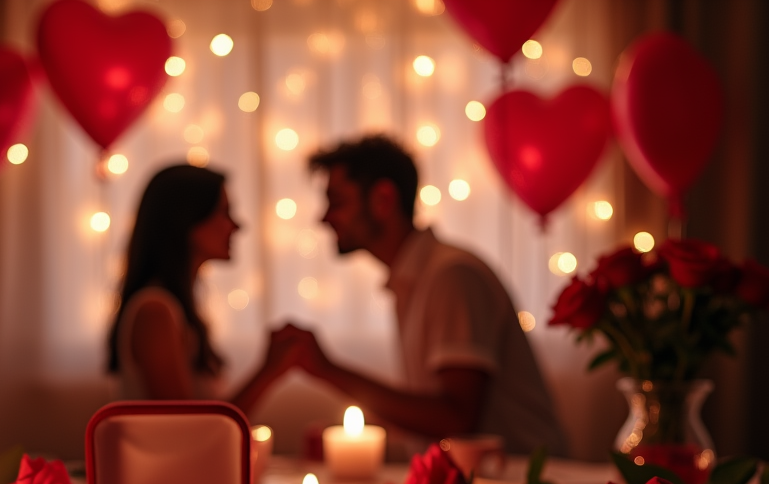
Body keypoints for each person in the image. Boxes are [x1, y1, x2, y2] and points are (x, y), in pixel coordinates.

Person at [278, 135, 566, 455]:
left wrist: (329, 370)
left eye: (337, 202)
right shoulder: (417, 278)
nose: (324, 217)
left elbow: (455, 419)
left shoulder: (451, 276)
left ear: (383, 199)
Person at [108, 164, 297, 413]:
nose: (237, 226)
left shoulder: (174, 307)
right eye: (224, 212)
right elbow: (189, 429)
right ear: (186, 219)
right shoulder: (155, 311)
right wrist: (268, 371)